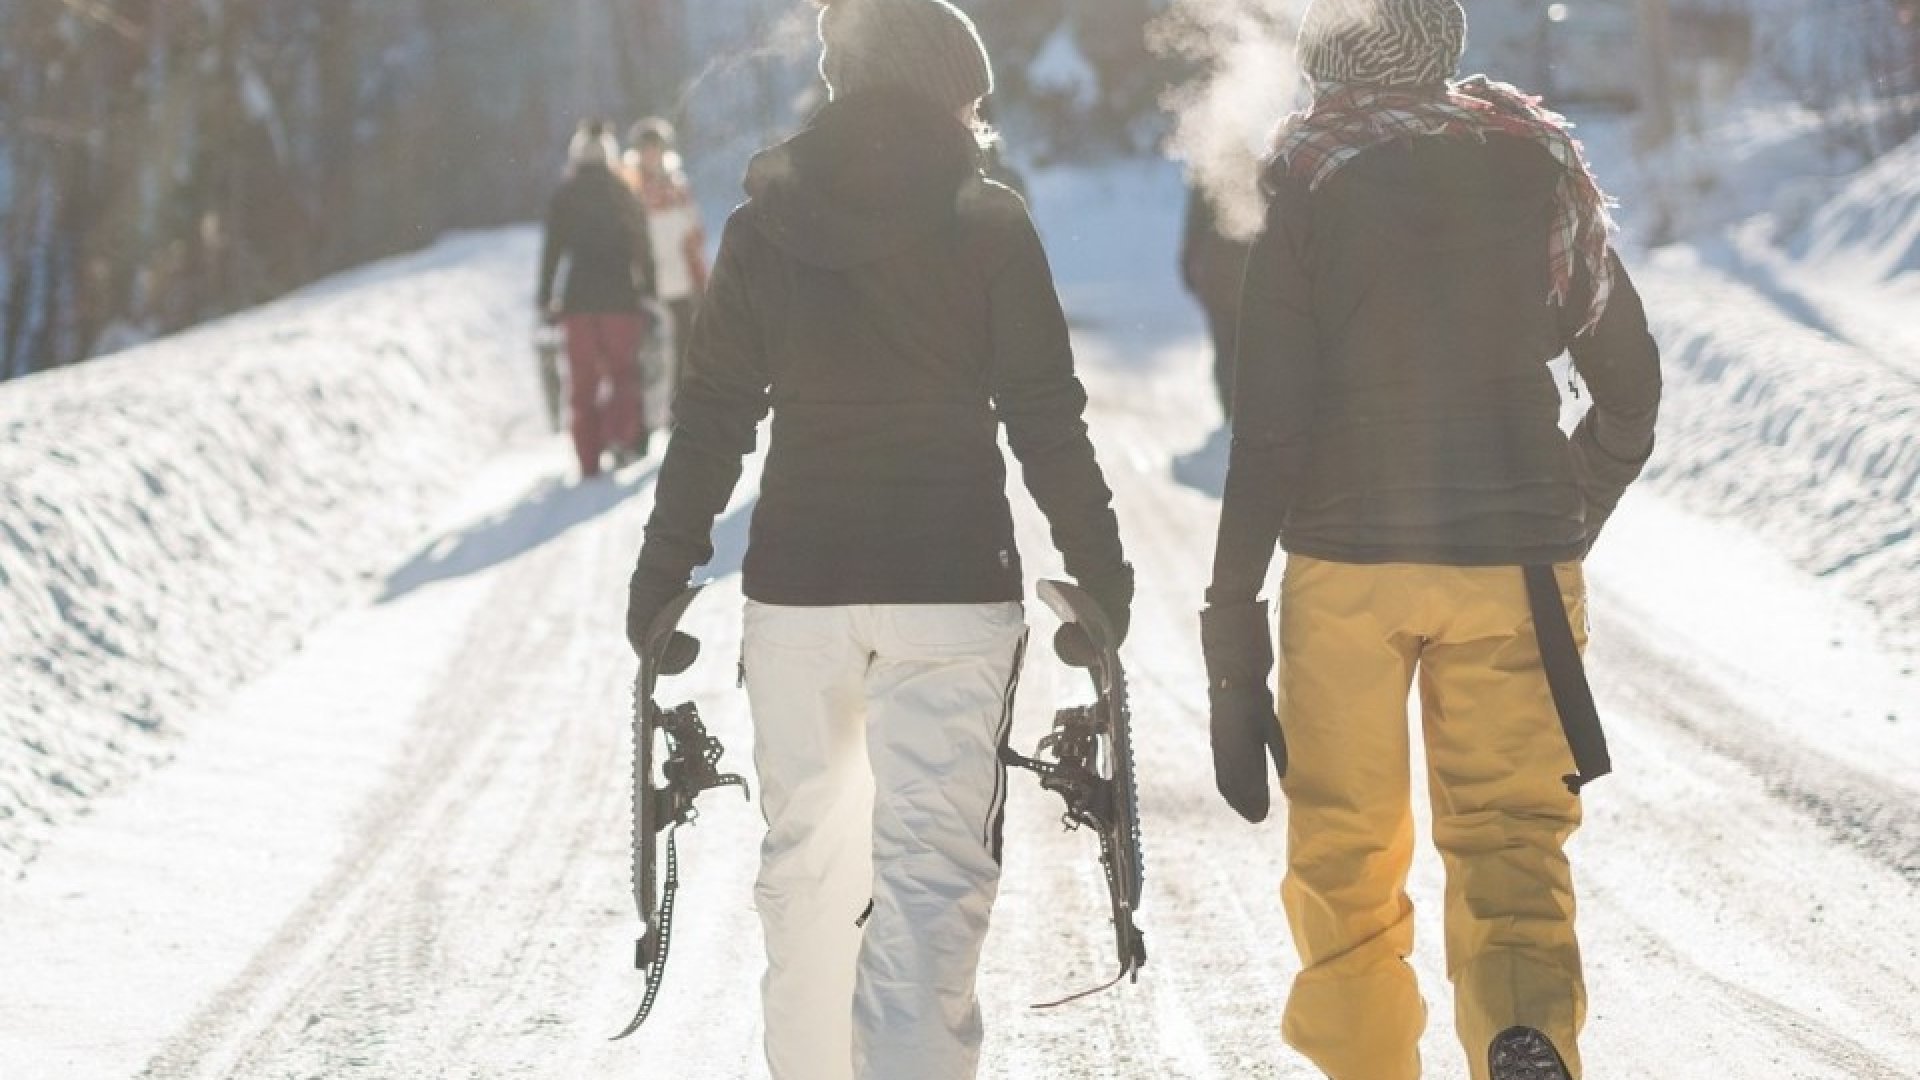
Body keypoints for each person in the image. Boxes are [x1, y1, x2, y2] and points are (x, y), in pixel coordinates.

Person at [623, 1, 1132, 1077]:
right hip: (951, 586)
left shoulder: (766, 223)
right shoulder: (987, 218)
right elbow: (1047, 413)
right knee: (929, 885)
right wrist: (1102, 569)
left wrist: (663, 570)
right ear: (947, 85)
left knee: (806, 874)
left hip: (801, 588)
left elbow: (713, 409)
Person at [1199, 2, 1662, 1079]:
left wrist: (1232, 633)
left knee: (1348, 859)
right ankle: (1524, 1036)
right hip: (1515, 570)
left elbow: (1269, 428)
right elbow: (1629, 392)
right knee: (1511, 844)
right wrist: (1562, 521)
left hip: (1346, 572)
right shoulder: (1540, 165)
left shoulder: (1306, 178)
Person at [536, 120, 658, 477]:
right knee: (623, 374)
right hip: (622, 299)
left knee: (582, 381)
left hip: (577, 302)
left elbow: (552, 252)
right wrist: (649, 291)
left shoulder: (565, 196)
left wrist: (546, 297)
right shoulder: (624, 191)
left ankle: (588, 457)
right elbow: (643, 246)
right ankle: (620, 438)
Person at [624, 117, 709, 412]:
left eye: (656, 149)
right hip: (648, 285)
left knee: (684, 352)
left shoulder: (678, 185)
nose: (652, 155)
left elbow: (695, 233)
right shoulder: (630, 189)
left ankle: (679, 413)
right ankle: (646, 422)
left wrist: (700, 277)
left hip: (681, 282)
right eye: (646, 149)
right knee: (650, 356)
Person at [1180, 177, 1255, 417]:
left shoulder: (1210, 165)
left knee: (1225, 347)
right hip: (1249, 272)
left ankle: (1231, 409)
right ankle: (1244, 410)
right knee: (1251, 347)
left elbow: (1195, 224)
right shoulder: (1262, 158)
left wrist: (1188, 267)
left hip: (1218, 272)